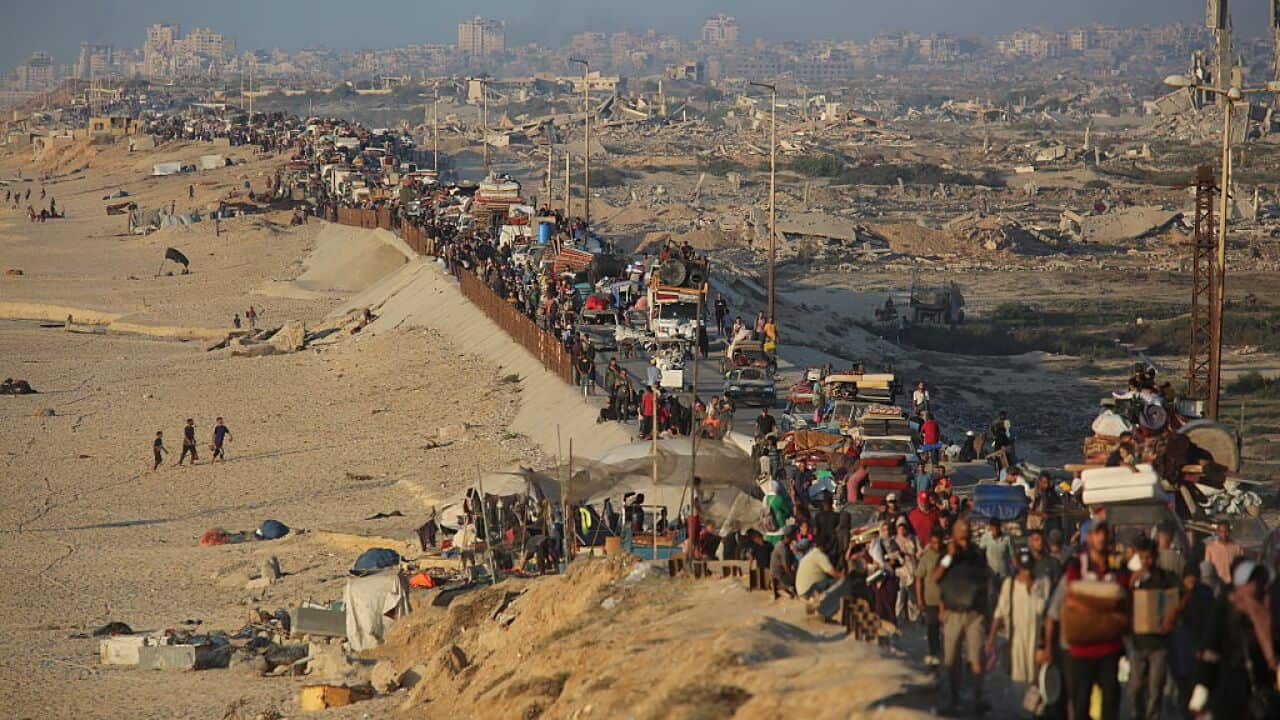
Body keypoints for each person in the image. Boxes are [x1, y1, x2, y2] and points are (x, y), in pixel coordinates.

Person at [1045, 520, 1129, 720]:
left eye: (1104, 533)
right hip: (1081, 651)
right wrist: (1047, 647)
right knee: (1081, 703)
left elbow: (1124, 601)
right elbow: (1060, 608)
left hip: (1110, 649)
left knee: (1110, 702)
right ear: (1089, 537)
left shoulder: (1116, 569)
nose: (1101, 537)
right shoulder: (1077, 568)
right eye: (1097, 533)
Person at [1191, 559, 1280, 719]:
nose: (1263, 587)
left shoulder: (1269, 612)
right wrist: (1200, 695)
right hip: (1231, 689)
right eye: (1256, 582)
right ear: (1242, 584)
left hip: (1264, 695)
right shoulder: (1226, 608)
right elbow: (1211, 651)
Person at [932, 518, 991, 713]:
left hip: (974, 612)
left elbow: (986, 581)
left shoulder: (977, 554)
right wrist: (949, 557)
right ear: (955, 532)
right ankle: (953, 697)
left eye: (967, 528)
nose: (965, 531)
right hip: (953, 611)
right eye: (961, 529)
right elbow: (936, 578)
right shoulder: (946, 553)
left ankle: (976, 696)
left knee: (975, 656)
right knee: (952, 658)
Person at [1127, 537, 1179, 720]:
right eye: (1142, 558)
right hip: (1138, 642)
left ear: (1155, 557)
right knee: (1135, 687)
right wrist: (1131, 583)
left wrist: (1171, 618)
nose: (1145, 562)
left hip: (1159, 643)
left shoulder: (1165, 577)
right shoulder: (1134, 578)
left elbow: (1180, 596)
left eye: (1148, 558)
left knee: (1155, 690)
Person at [987, 548, 1049, 685]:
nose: (1026, 572)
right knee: (1018, 684)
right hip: (1016, 643)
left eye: (1029, 568)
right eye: (1023, 568)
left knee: (1037, 684)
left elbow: (1047, 615)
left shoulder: (1043, 584)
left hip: (1037, 643)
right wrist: (991, 638)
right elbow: (999, 612)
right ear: (1018, 566)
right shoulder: (1009, 585)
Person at [916, 529, 946, 665]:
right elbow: (919, 579)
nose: (937, 546)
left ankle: (945, 655)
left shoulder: (947, 556)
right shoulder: (926, 557)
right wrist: (920, 599)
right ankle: (934, 654)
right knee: (932, 629)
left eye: (939, 543)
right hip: (930, 600)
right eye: (934, 543)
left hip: (946, 600)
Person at [796, 539, 846, 620]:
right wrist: (844, 577)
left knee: (828, 581)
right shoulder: (820, 556)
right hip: (809, 589)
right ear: (825, 546)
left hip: (801, 589)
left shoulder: (811, 554)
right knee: (838, 584)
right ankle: (826, 610)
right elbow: (832, 572)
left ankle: (814, 602)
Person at [977, 517, 1014, 615]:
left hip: (1004, 573)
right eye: (992, 528)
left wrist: (1014, 571)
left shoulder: (1007, 538)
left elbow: (1012, 555)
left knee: (1006, 598)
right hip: (991, 574)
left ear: (1000, 527)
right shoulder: (986, 538)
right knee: (991, 597)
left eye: (996, 528)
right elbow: (980, 553)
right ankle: (991, 617)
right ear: (990, 528)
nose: (995, 530)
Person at [1204, 519, 1243, 586]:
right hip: (1217, 583)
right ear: (1217, 532)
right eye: (1221, 532)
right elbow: (1208, 567)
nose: (1224, 534)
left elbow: (1241, 566)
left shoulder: (1236, 547)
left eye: (1226, 531)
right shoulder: (1210, 547)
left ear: (1230, 532)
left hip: (1231, 583)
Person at [770, 527, 798, 599]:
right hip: (779, 573)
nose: (796, 535)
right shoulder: (782, 548)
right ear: (790, 536)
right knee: (792, 594)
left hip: (782, 571)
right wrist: (792, 577)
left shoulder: (785, 545)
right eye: (795, 534)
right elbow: (785, 566)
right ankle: (780, 588)